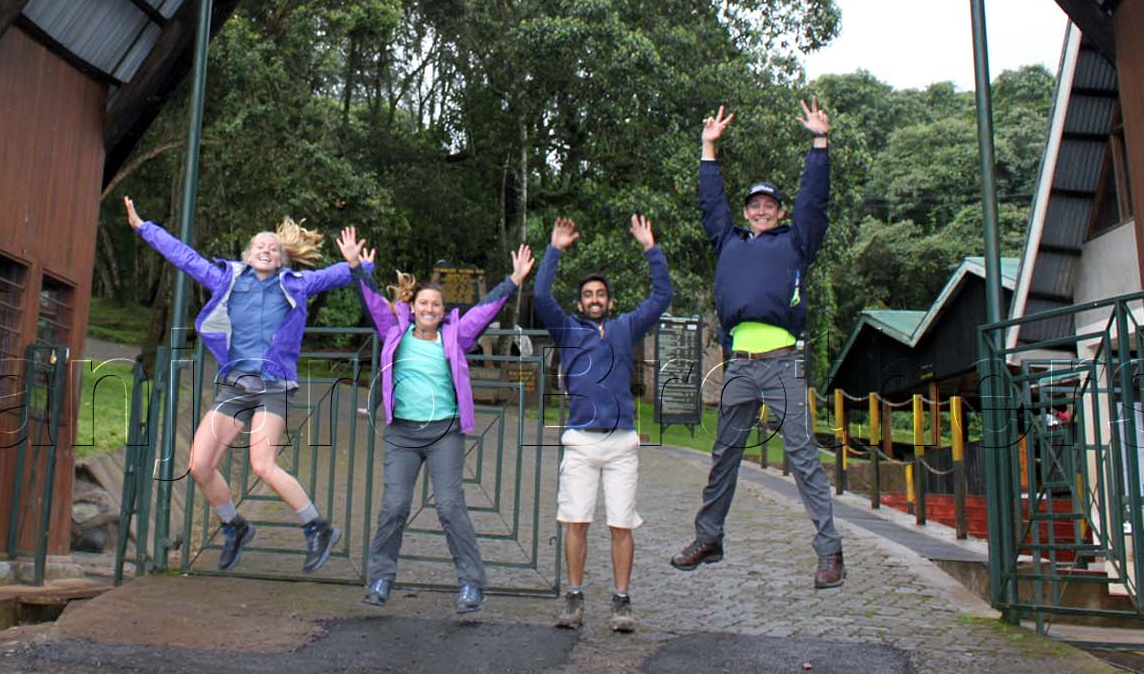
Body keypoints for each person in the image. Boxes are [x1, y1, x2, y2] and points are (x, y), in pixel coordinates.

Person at [125, 196, 357, 573]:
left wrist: (356, 263)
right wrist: (143, 227)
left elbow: (340, 274)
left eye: (273, 248)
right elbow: (185, 257)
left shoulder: (296, 284)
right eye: (260, 246)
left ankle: (318, 527)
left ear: (281, 259)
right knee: (199, 465)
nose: (267, 250)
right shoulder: (227, 279)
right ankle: (235, 525)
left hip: (274, 386)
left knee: (262, 465)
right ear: (248, 255)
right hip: (236, 385)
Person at [670, 98, 844, 589]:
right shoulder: (730, 241)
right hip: (740, 365)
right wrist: (708, 148)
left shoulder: (795, 242)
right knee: (724, 452)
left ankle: (830, 551)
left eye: (770, 205)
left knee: (802, 454)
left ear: (781, 212)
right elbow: (711, 203)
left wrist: (819, 143)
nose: (762, 211)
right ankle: (709, 537)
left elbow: (815, 200)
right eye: (755, 206)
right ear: (747, 213)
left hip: (783, 362)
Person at [353, 243, 536, 614]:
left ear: (442, 311)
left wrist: (513, 280)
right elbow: (372, 300)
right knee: (394, 505)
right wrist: (358, 267)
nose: (430, 309)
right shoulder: (394, 330)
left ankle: (471, 583)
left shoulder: (455, 335)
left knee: (451, 507)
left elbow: (485, 311)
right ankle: (381, 577)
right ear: (412, 306)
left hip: (444, 434)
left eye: (436, 304)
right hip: (403, 433)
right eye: (424, 303)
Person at [532, 214, 672, 632]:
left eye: (601, 295)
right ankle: (574, 598)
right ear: (580, 303)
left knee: (620, 523)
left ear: (610, 302)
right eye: (588, 295)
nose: (595, 299)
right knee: (576, 521)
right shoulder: (568, 330)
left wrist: (651, 248)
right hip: (579, 442)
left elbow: (662, 295)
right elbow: (540, 295)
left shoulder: (626, 327)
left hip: (621, 442)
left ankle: (621, 601)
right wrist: (554, 250)